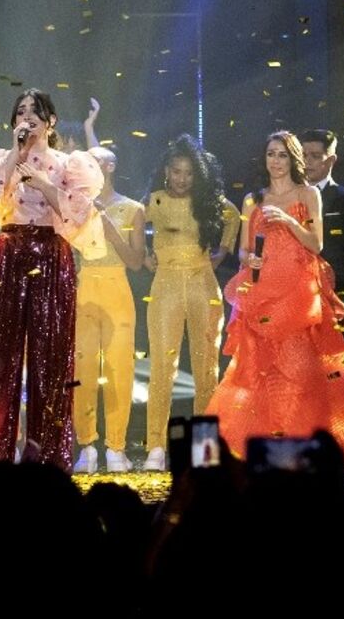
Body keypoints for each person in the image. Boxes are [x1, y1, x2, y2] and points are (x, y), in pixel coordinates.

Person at [207, 131, 344, 468]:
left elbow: (317, 244)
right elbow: (243, 247)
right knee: (257, 373)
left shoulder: (308, 193)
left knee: (301, 372)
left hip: (298, 293)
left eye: (282, 155)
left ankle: (305, 451)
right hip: (263, 293)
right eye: (271, 154)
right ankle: (260, 451)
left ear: (292, 159)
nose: (276, 161)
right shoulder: (253, 200)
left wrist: (290, 222)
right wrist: (248, 258)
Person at [0, 89, 104, 471]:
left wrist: (43, 183)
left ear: (50, 121)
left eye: (34, 112)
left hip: (51, 256)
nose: (26, 118)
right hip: (8, 255)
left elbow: (76, 218)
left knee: (50, 357)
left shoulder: (68, 164)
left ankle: (46, 456)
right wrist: (15, 153)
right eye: (20, 112)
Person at [142, 136, 241, 471]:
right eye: (176, 171)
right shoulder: (153, 201)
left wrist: (223, 250)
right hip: (166, 285)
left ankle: (206, 451)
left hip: (203, 285)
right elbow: (131, 224)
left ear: (197, 175)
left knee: (206, 368)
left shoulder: (209, 202)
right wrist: (144, 254)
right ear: (167, 171)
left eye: (188, 173)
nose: (182, 178)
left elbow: (234, 215)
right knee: (161, 368)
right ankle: (155, 447)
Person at [72, 146, 144, 474]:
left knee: (119, 370)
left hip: (118, 289)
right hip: (84, 289)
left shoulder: (133, 209)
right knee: (82, 372)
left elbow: (136, 262)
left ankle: (116, 446)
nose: (89, 168)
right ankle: (87, 445)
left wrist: (105, 222)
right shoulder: (74, 207)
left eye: (96, 162)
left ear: (110, 167)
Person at [299, 130, 344, 321]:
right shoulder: (286, 196)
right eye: (303, 155)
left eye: (315, 156)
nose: (307, 162)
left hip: (333, 295)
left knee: (331, 351)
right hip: (292, 294)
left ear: (331, 160)